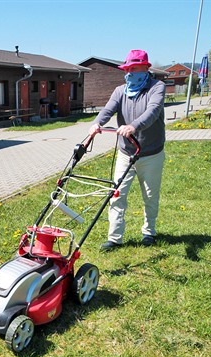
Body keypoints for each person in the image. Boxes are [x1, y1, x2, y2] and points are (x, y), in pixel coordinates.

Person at [88, 49, 166, 251]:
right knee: (117, 194)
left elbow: (153, 110)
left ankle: (149, 232)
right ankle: (115, 238)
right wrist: (97, 124)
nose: (130, 73)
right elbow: (107, 110)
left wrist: (133, 126)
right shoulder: (120, 90)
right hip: (126, 153)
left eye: (134, 69)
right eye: (127, 69)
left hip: (151, 153)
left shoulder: (157, 87)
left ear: (145, 68)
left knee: (150, 195)